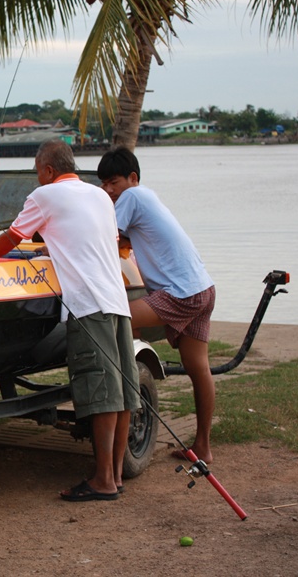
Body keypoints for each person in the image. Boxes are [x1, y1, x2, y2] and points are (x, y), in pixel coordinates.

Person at [0, 139, 140, 501]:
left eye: (38, 171)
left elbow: (10, 238)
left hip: (88, 305)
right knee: (122, 392)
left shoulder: (45, 197)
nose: (37, 179)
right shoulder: (100, 196)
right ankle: (114, 474)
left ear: (48, 169)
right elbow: (91, 238)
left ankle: (102, 481)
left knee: (101, 392)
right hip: (118, 301)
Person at [97, 147, 216, 464]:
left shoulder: (131, 198)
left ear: (132, 178)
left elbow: (104, 239)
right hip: (203, 288)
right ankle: (202, 446)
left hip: (181, 292)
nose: (108, 190)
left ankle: (122, 410)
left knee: (117, 320)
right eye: (103, 184)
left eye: (113, 182)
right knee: (198, 369)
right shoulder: (147, 198)